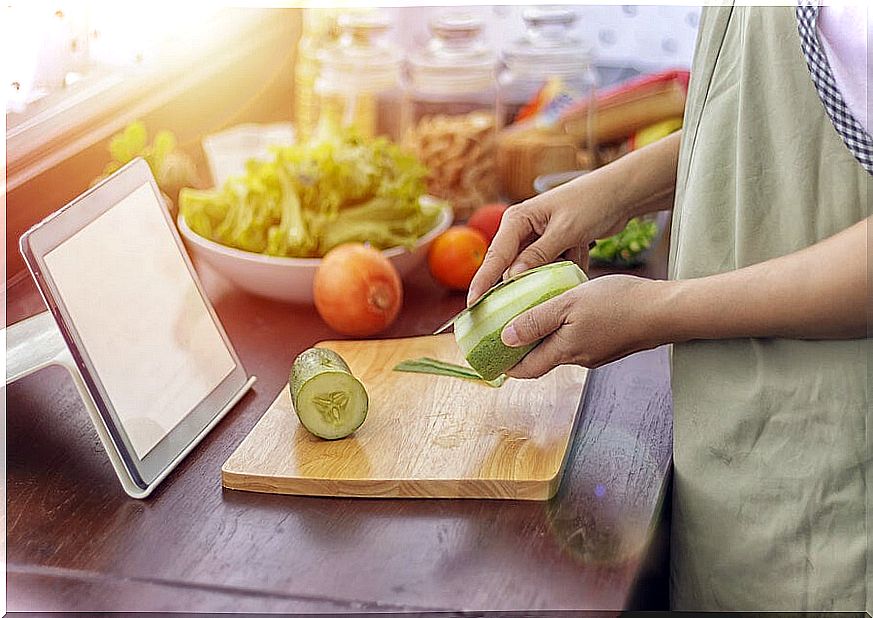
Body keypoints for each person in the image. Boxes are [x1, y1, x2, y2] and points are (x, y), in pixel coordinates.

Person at [467, 4, 870, 611]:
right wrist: (616, 188)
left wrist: (656, 312)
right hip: (736, 454)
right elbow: (781, 121)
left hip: (838, 474)